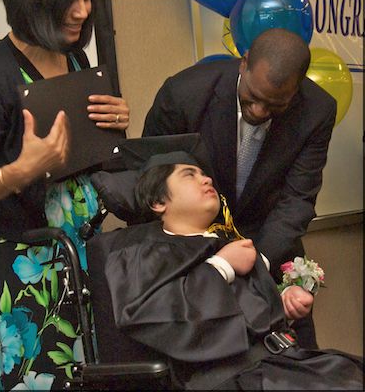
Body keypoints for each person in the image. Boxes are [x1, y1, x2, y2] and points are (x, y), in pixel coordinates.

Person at [87, 135, 363, 390]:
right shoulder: (140, 252)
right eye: (189, 175)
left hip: (279, 364)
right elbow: (155, 314)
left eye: (205, 174)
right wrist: (221, 267)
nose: (206, 180)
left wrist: (283, 303)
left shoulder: (225, 242)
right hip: (227, 380)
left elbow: (247, 315)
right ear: (159, 201)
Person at [0, 0, 129, 390]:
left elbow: (86, 149)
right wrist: (21, 171)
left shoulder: (76, 59)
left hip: (85, 253)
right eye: (68, 0)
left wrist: (115, 123)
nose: (83, 11)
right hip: (28, 269)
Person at [142, 28, 337, 349]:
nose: (259, 112)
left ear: (296, 90)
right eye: (253, 97)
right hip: (192, 257)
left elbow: (297, 198)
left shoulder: (317, 110)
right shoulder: (184, 94)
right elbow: (151, 182)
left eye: (275, 104)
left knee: (296, 364)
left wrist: (257, 265)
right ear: (243, 64)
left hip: (269, 247)